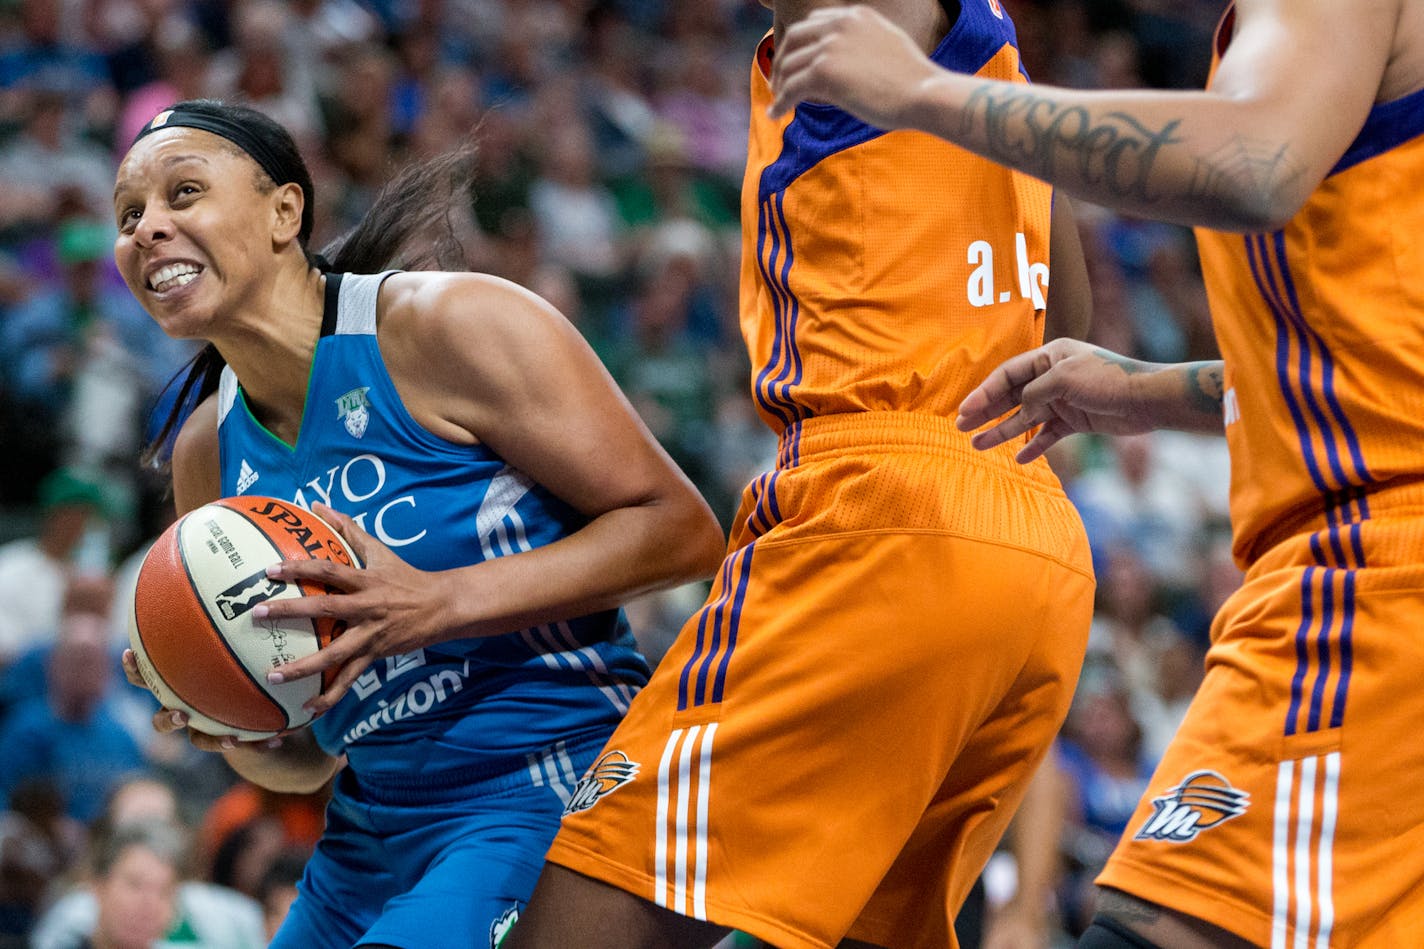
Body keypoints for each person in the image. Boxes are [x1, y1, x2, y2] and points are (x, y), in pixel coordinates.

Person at [770, 1, 1424, 946]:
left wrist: (925, 93)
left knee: (1160, 923)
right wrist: (1149, 389)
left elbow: (1253, 161)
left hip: (1381, 584)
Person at [507, 2, 1098, 947]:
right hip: (1038, 546)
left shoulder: (852, 26)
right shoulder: (1002, 69)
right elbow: (1068, 323)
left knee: (579, 919)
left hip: (879, 511)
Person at [112, 99, 725, 949]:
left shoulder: (447, 326)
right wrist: (230, 721)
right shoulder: (206, 457)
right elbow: (311, 752)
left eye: (184, 193)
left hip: (542, 776)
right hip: (371, 835)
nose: (149, 229)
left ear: (286, 209)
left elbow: (682, 529)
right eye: (130, 215)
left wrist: (437, 601)